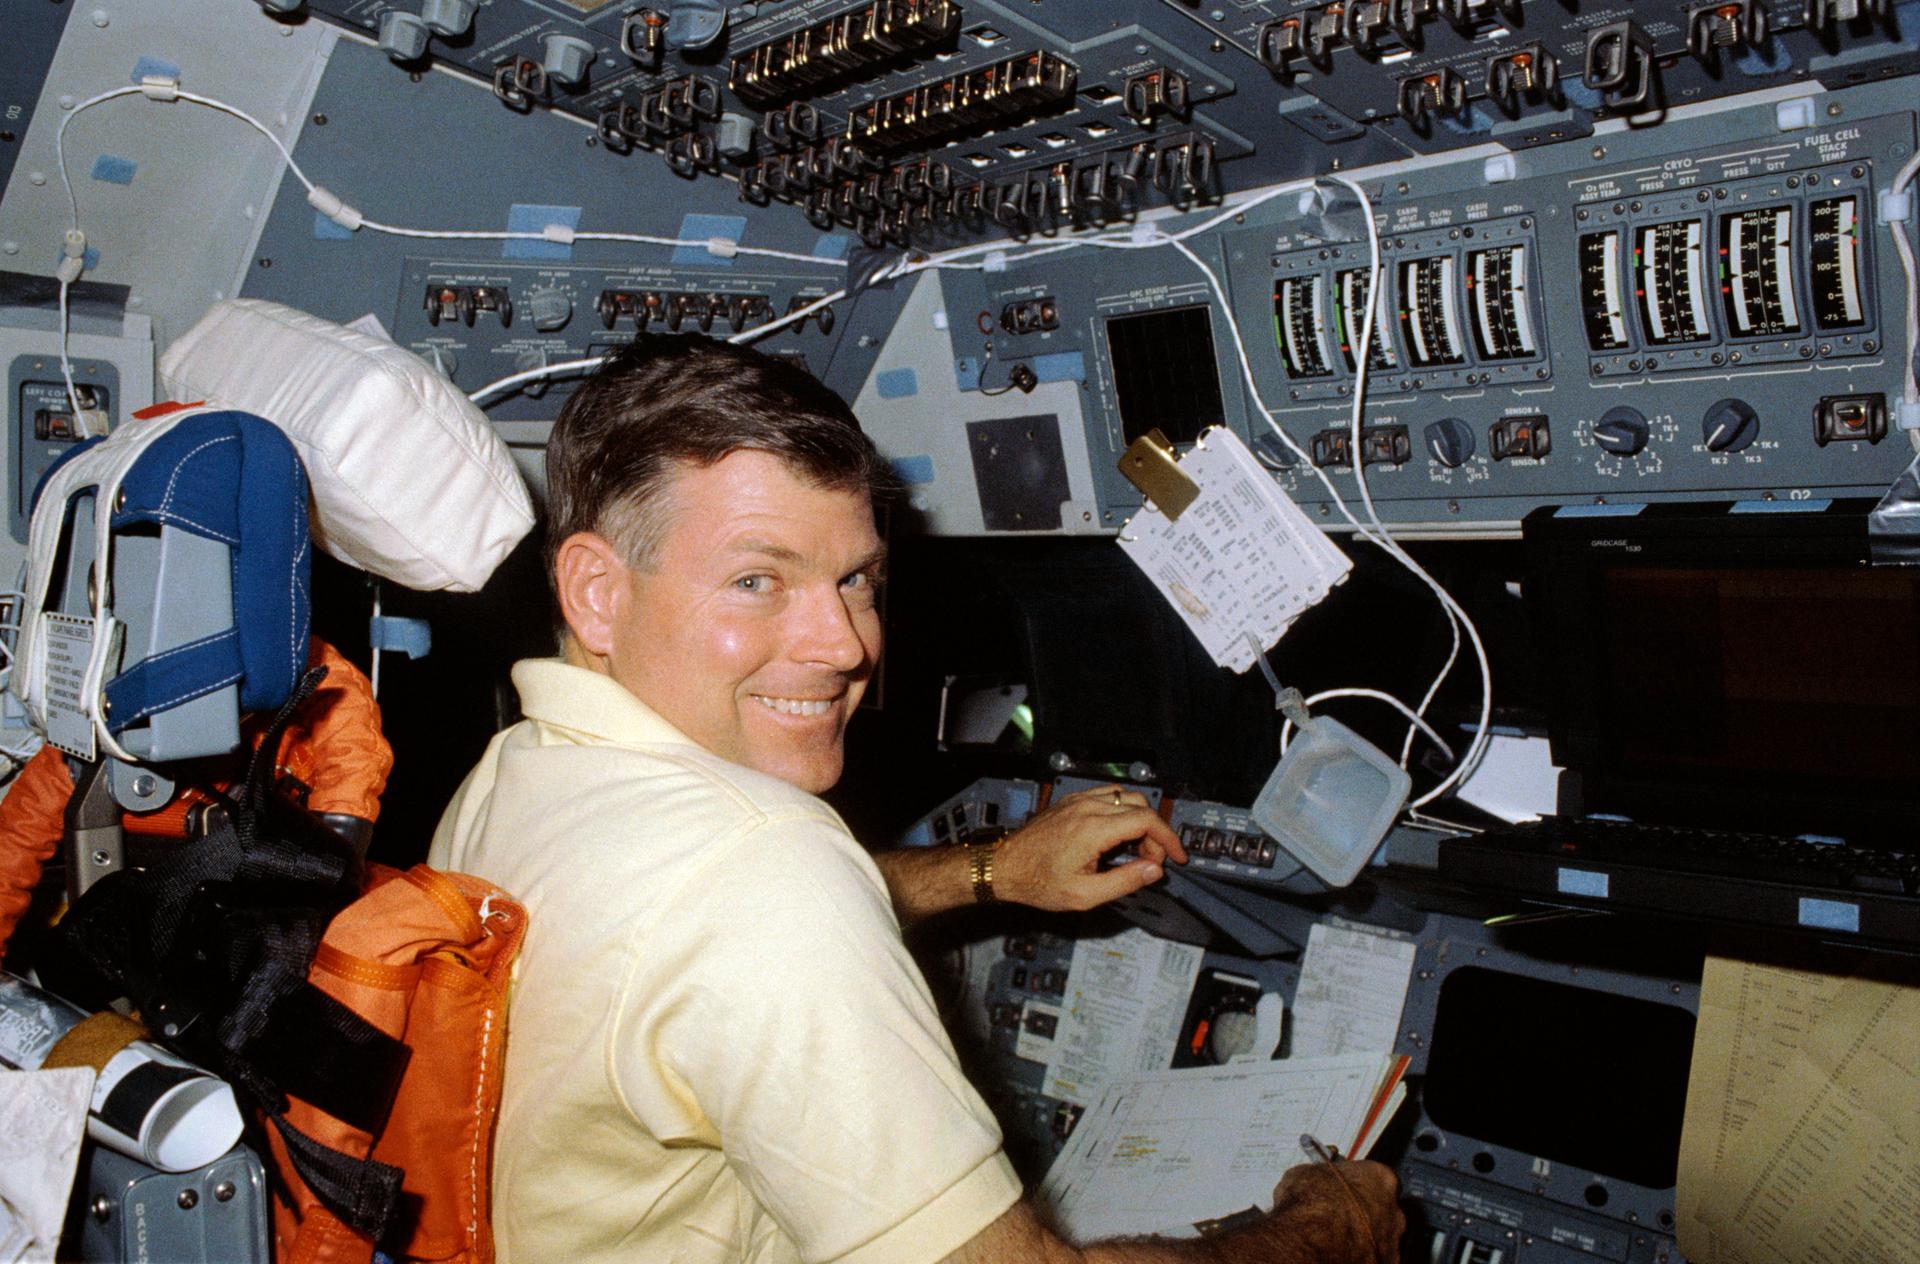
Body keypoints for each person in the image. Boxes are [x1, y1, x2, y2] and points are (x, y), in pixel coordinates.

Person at [428, 334, 1405, 1263]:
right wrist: (1330, 1238)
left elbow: (688, 948)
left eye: (856, 579)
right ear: (597, 591)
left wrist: (989, 870)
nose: (846, 643)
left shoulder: (520, 773)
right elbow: (752, 902)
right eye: (758, 579)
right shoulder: (762, 866)